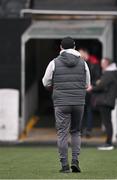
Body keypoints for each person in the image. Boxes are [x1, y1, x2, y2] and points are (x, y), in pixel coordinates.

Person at [42, 37, 91, 173]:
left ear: (61, 48)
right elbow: (87, 84)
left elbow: (46, 82)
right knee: (76, 132)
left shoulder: (54, 63)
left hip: (61, 103)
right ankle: (75, 161)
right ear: (74, 47)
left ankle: (65, 165)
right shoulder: (83, 63)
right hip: (78, 102)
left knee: (62, 133)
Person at [91, 58, 117, 150]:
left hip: (105, 101)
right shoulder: (111, 73)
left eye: (102, 63)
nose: (101, 65)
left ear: (107, 63)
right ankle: (108, 142)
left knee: (107, 123)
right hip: (108, 101)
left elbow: (100, 85)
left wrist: (92, 88)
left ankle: (108, 143)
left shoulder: (108, 73)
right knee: (108, 122)